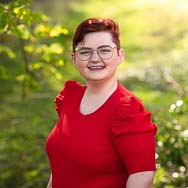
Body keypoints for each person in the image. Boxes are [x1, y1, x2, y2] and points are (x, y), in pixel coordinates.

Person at [46, 18, 157, 188]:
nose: (95, 58)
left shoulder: (128, 110)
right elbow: (62, 166)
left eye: (104, 50)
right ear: (74, 58)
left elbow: (142, 176)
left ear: (120, 56)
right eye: (85, 52)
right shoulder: (69, 97)